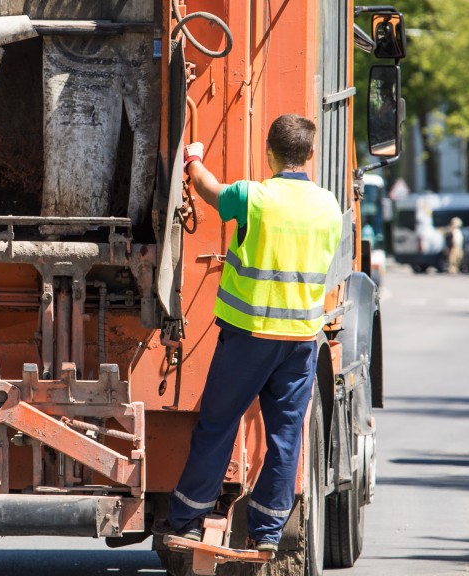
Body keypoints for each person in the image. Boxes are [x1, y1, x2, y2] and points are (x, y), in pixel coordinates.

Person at [167, 114, 343, 552]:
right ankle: (265, 532)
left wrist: (192, 159)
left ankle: (188, 520)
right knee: (285, 437)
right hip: (301, 340)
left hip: (249, 337)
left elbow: (209, 189)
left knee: (218, 425)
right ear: (310, 154)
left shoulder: (254, 197)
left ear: (269, 152)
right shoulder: (329, 206)